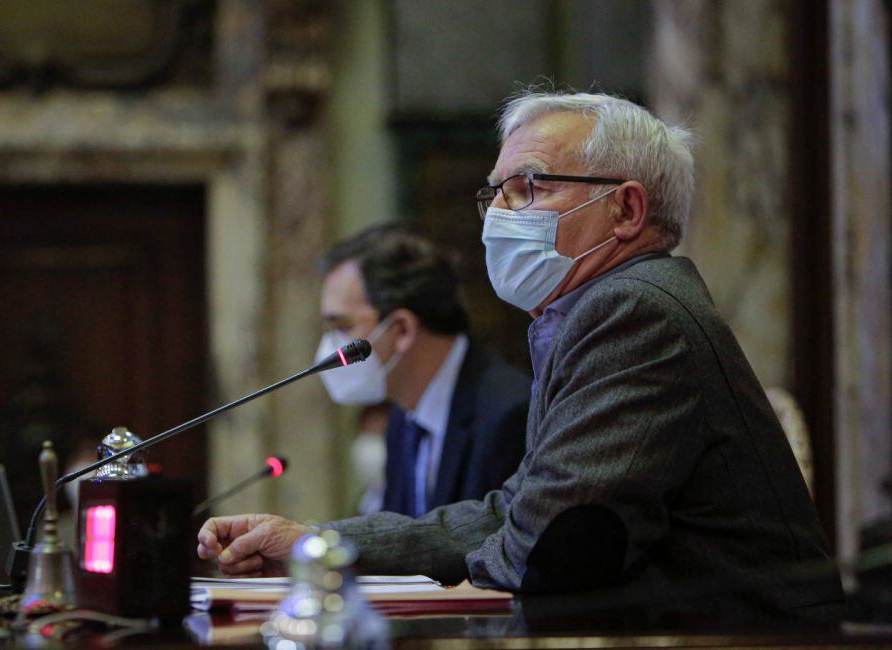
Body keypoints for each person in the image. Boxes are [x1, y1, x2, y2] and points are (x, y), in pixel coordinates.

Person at [198, 91, 843, 620]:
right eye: (495, 192)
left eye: (528, 186)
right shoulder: (598, 309)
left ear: (626, 208)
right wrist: (319, 543)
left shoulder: (633, 310)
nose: (497, 215)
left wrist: (446, 584)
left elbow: (552, 539)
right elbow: (514, 512)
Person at [315, 225, 530, 516]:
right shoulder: (403, 417)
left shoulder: (508, 416)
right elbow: (398, 535)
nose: (331, 345)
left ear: (403, 329)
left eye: (342, 326)